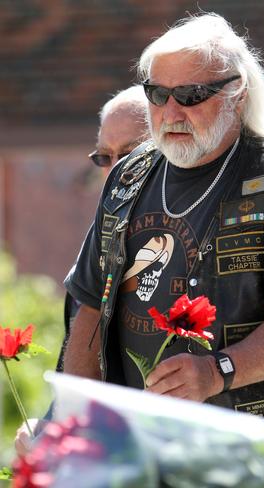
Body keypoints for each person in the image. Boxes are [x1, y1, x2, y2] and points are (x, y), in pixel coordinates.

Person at [16, 16, 264, 474]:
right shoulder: (128, 176)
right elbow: (90, 309)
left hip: (263, 446)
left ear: (237, 94)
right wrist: (73, 424)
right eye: (157, 94)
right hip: (145, 442)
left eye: (192, 96)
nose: (171, 112)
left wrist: (219, 370)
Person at [14, 85, 148, 456]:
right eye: (105, 157)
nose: (117, 170)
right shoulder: (97, 252)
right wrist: (45, 427)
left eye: (132, 153)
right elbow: (79, 390)